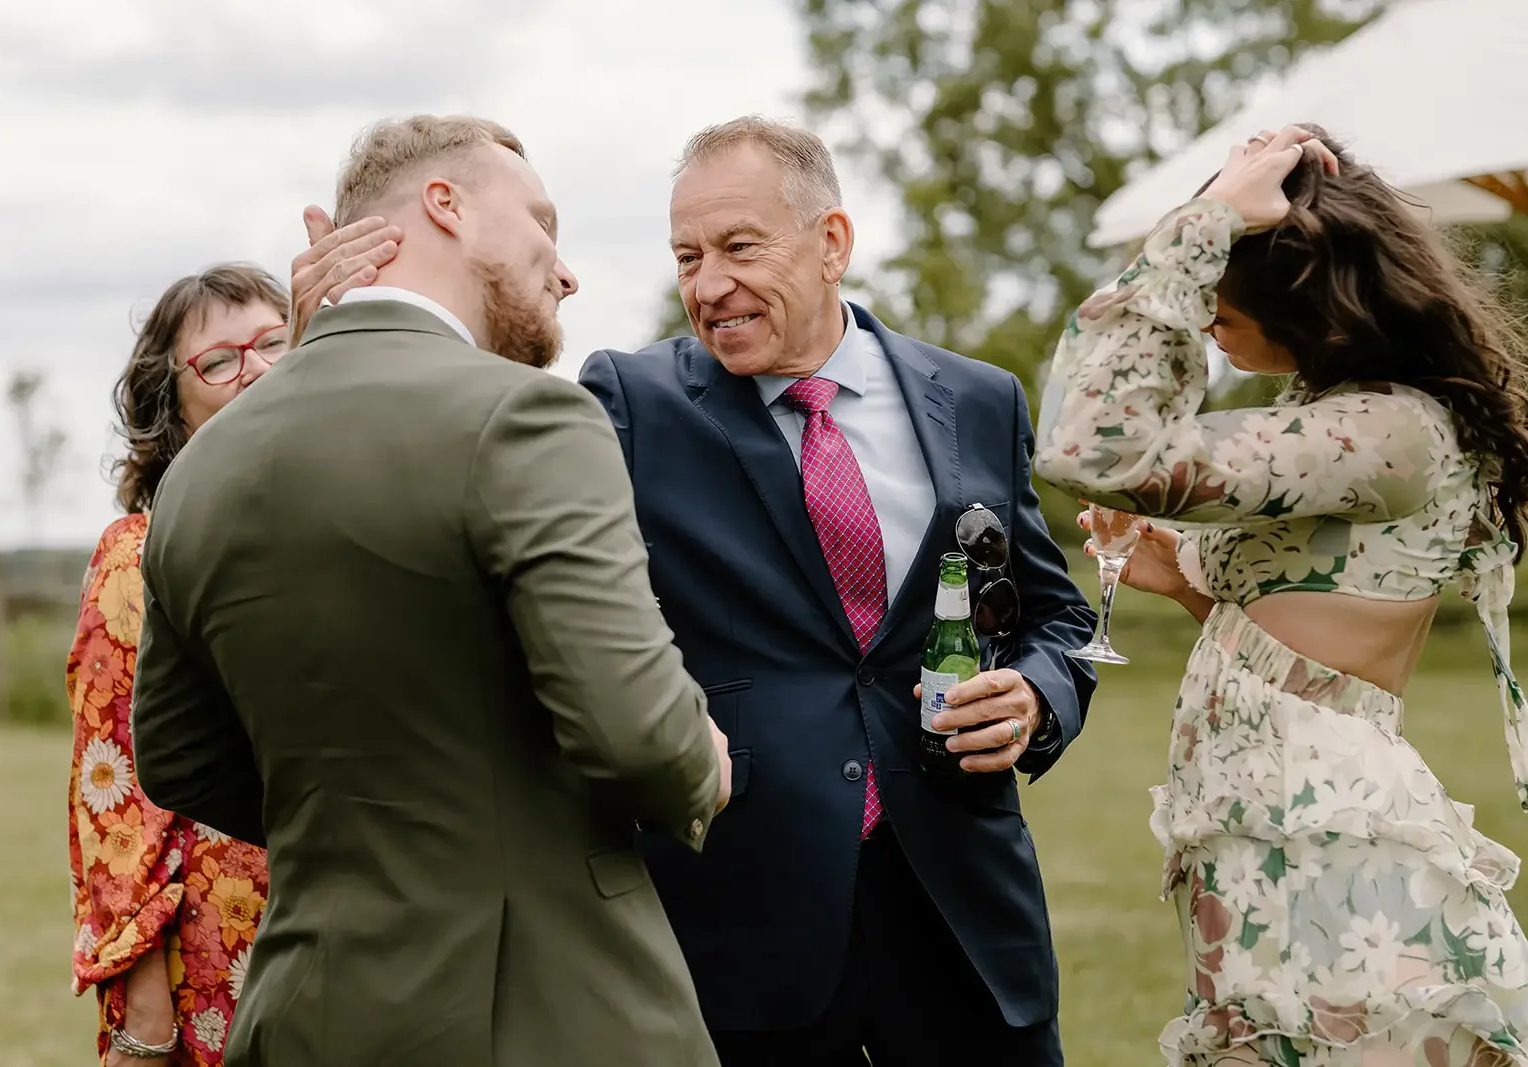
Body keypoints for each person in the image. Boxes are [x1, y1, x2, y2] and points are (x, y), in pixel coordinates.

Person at [295, 115, 1099, 1065]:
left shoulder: (978, 397)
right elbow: (455, 468)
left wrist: (1040, 694)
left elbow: (1058, 616)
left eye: (738, 248)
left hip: (969, 920)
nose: (708, 285)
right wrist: (340, 344)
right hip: (745, 936)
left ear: (832, 242)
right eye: (687, 256)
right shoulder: (632, 404)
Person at [130, 114, 732, 1067]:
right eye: (543, 222)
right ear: (445, 207)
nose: (565, 269)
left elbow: (175, 755)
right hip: (545, 1014)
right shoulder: (529, 416)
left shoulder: (202, 472)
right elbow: (640, 735)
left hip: (304, 1015)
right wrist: (702, 759)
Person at [1035, 123, 1528, 1066]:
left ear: (1307, 310)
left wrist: (1199, 225)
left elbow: (1094, 448)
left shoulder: (1391, 431)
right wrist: (1185, 580)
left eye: (1218, 306)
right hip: (1271, 843)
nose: (1204, 321)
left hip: (1327, 857)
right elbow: (1311, 654)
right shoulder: (1339, 417)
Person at [67, 264, 284, 1065]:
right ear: (174, 405)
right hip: (213, 952)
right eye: (220, 361)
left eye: (273, 343)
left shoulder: (348, 527)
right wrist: (146, 1011)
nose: (254, 369)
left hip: (351, 925)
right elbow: (116, 791)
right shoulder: (140, 554)